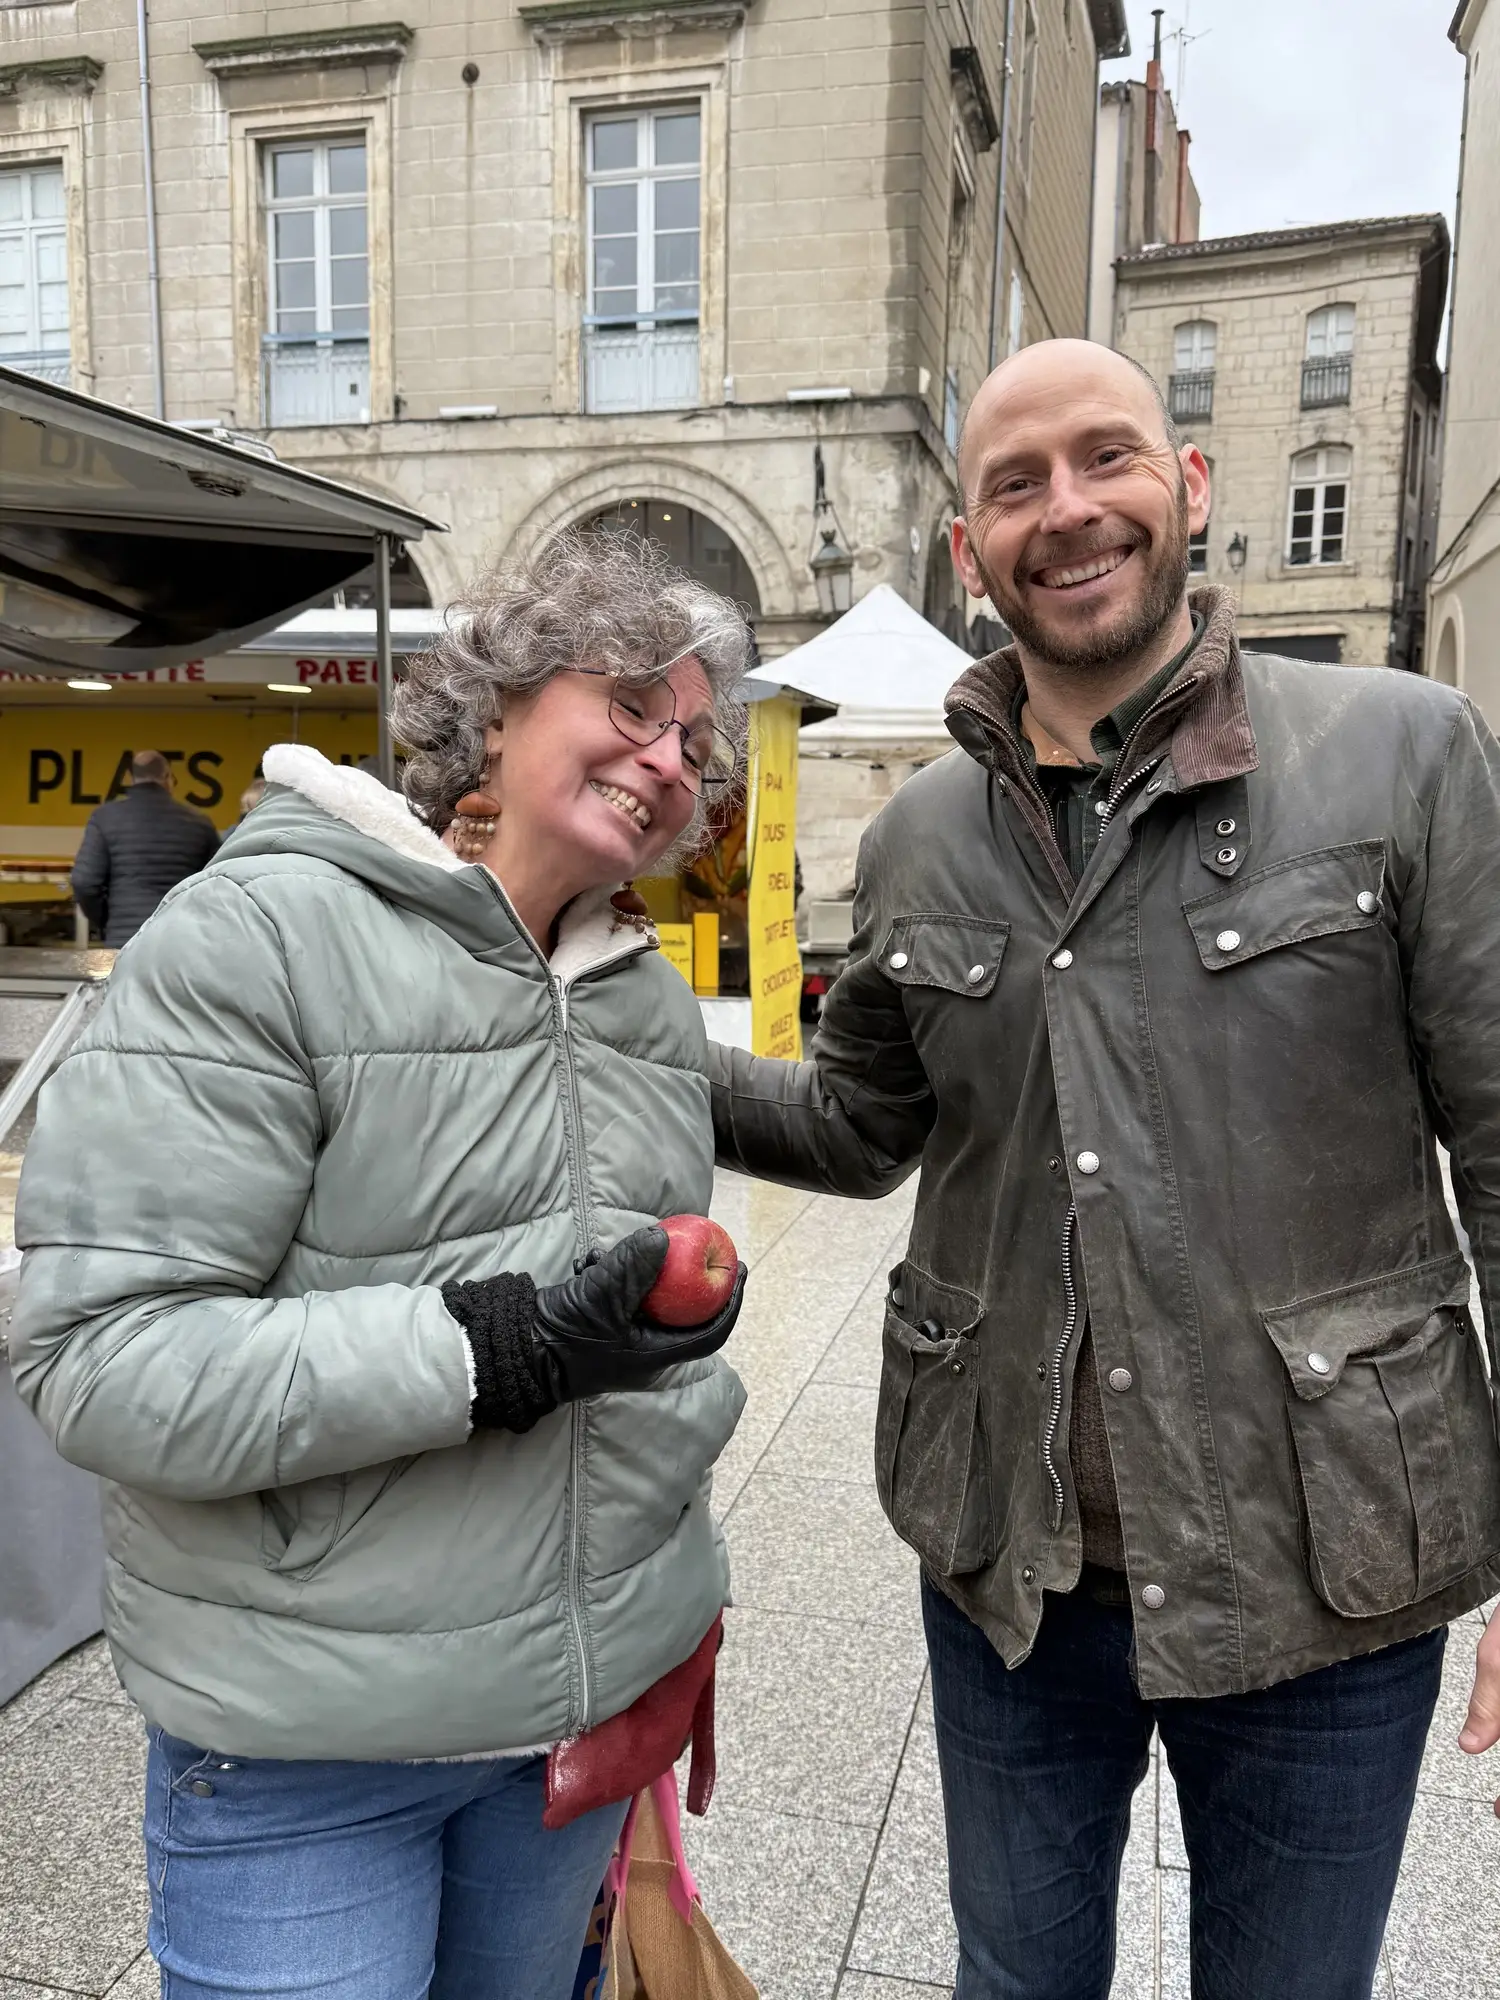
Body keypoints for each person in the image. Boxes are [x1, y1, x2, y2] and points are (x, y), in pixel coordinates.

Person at [707, 338, 1500, 2000]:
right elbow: (859, 1127)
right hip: (1013, 1566)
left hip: (1327, 1578)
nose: (1067, 509)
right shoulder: (922, 834)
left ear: (1188, 486)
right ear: (968, 547)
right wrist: (612, 1041)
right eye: (1016, 484)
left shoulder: (1404, 753)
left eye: (1106, 458)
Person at [11, 530, 751, 1998]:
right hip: (307, 1755)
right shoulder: (257, 937)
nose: (669, 758)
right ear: (499, 704)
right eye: (630, 703)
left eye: (695, 740)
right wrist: (494, 1345)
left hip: (568, 1744)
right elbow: (98, 1357)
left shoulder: (642, 1000)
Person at [69, 749, 220, 946]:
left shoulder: (104, 818)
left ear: (132, 779)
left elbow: (83, 882)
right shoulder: (199, 822)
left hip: (125, 940)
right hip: (180, 939)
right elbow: (217, 883)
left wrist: (109, 920)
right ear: (167, 777)